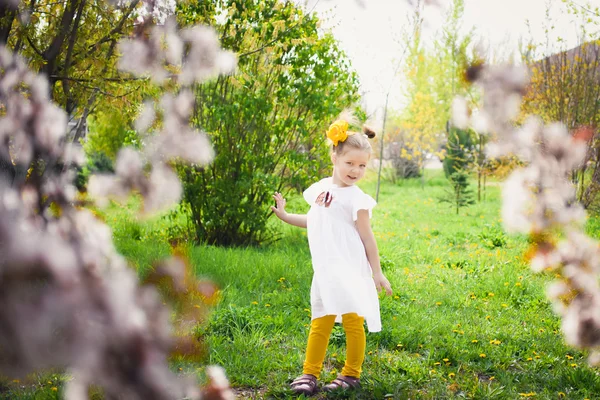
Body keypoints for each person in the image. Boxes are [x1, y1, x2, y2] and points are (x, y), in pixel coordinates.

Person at [271, 115, 393, 395]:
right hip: (326, 271)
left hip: (350, 269)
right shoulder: (321, 189)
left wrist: (377, 272)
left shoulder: (358, 200)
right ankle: (309, 374)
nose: (355, 170)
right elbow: (317, 220)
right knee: (321, 320)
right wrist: (286, 216)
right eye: (350, 163)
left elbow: (367, 238)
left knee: (352, 321)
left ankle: (351, 374)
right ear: (335, 158)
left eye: (362, 165)